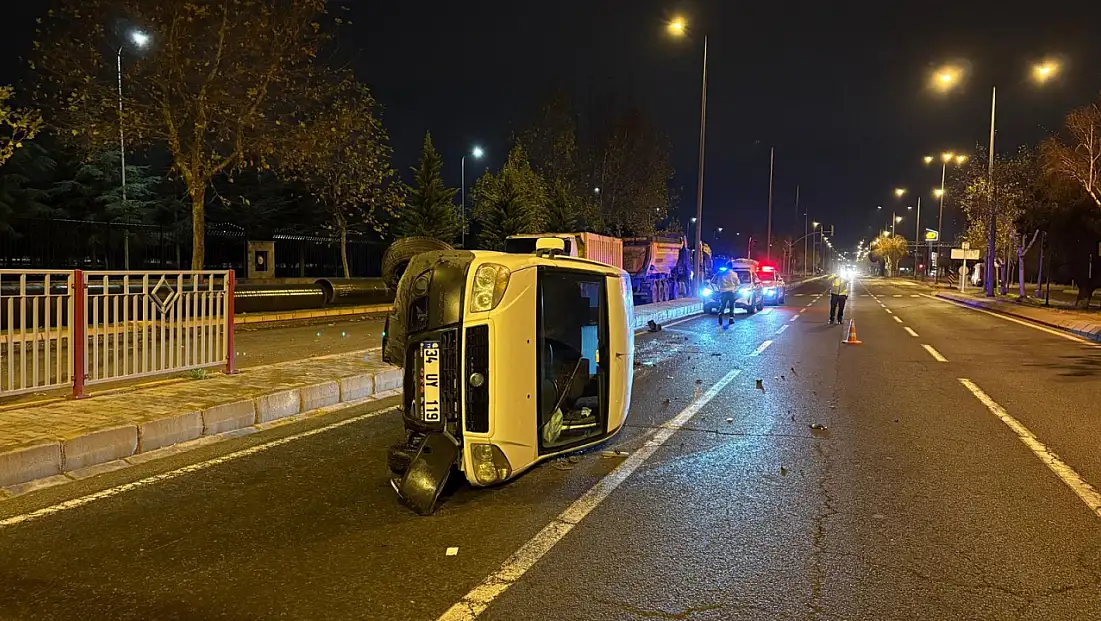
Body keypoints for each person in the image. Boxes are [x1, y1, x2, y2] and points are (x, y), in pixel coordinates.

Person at [715, 263, 741, 328]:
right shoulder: (734, 274)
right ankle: (731, 318)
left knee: (723, 304)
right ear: (732, 267)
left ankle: (720, 313)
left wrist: (720, 289)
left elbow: (718, 283)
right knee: (732, 305)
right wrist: (735, 289)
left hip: (723, 292)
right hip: (731, 292)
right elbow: (738, 283)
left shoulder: (722, 274)